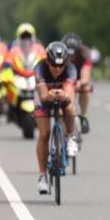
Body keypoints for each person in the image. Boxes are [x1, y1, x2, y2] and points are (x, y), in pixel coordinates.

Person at [33, 41, 79, 194]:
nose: (57, 69)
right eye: (53, 64)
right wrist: (49, 95)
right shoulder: (39, 68)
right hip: (44, 97)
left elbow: (69, 95)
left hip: (62, 95)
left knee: (70, 107)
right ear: (47, 60)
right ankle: (42, 176)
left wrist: (63, 95)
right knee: (44, 134)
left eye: (61, 65)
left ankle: (71, 137)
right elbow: (43, 96)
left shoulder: (71, 69)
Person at [61, 33, 93, 133]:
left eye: (73, 54)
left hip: (78, 76)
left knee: (85, 88)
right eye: (68, 54)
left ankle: (84, 116)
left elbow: (85, 75)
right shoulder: (59, 53)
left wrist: (80, 83)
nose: (70, 57)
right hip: (64, 77)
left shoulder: (85, 53)